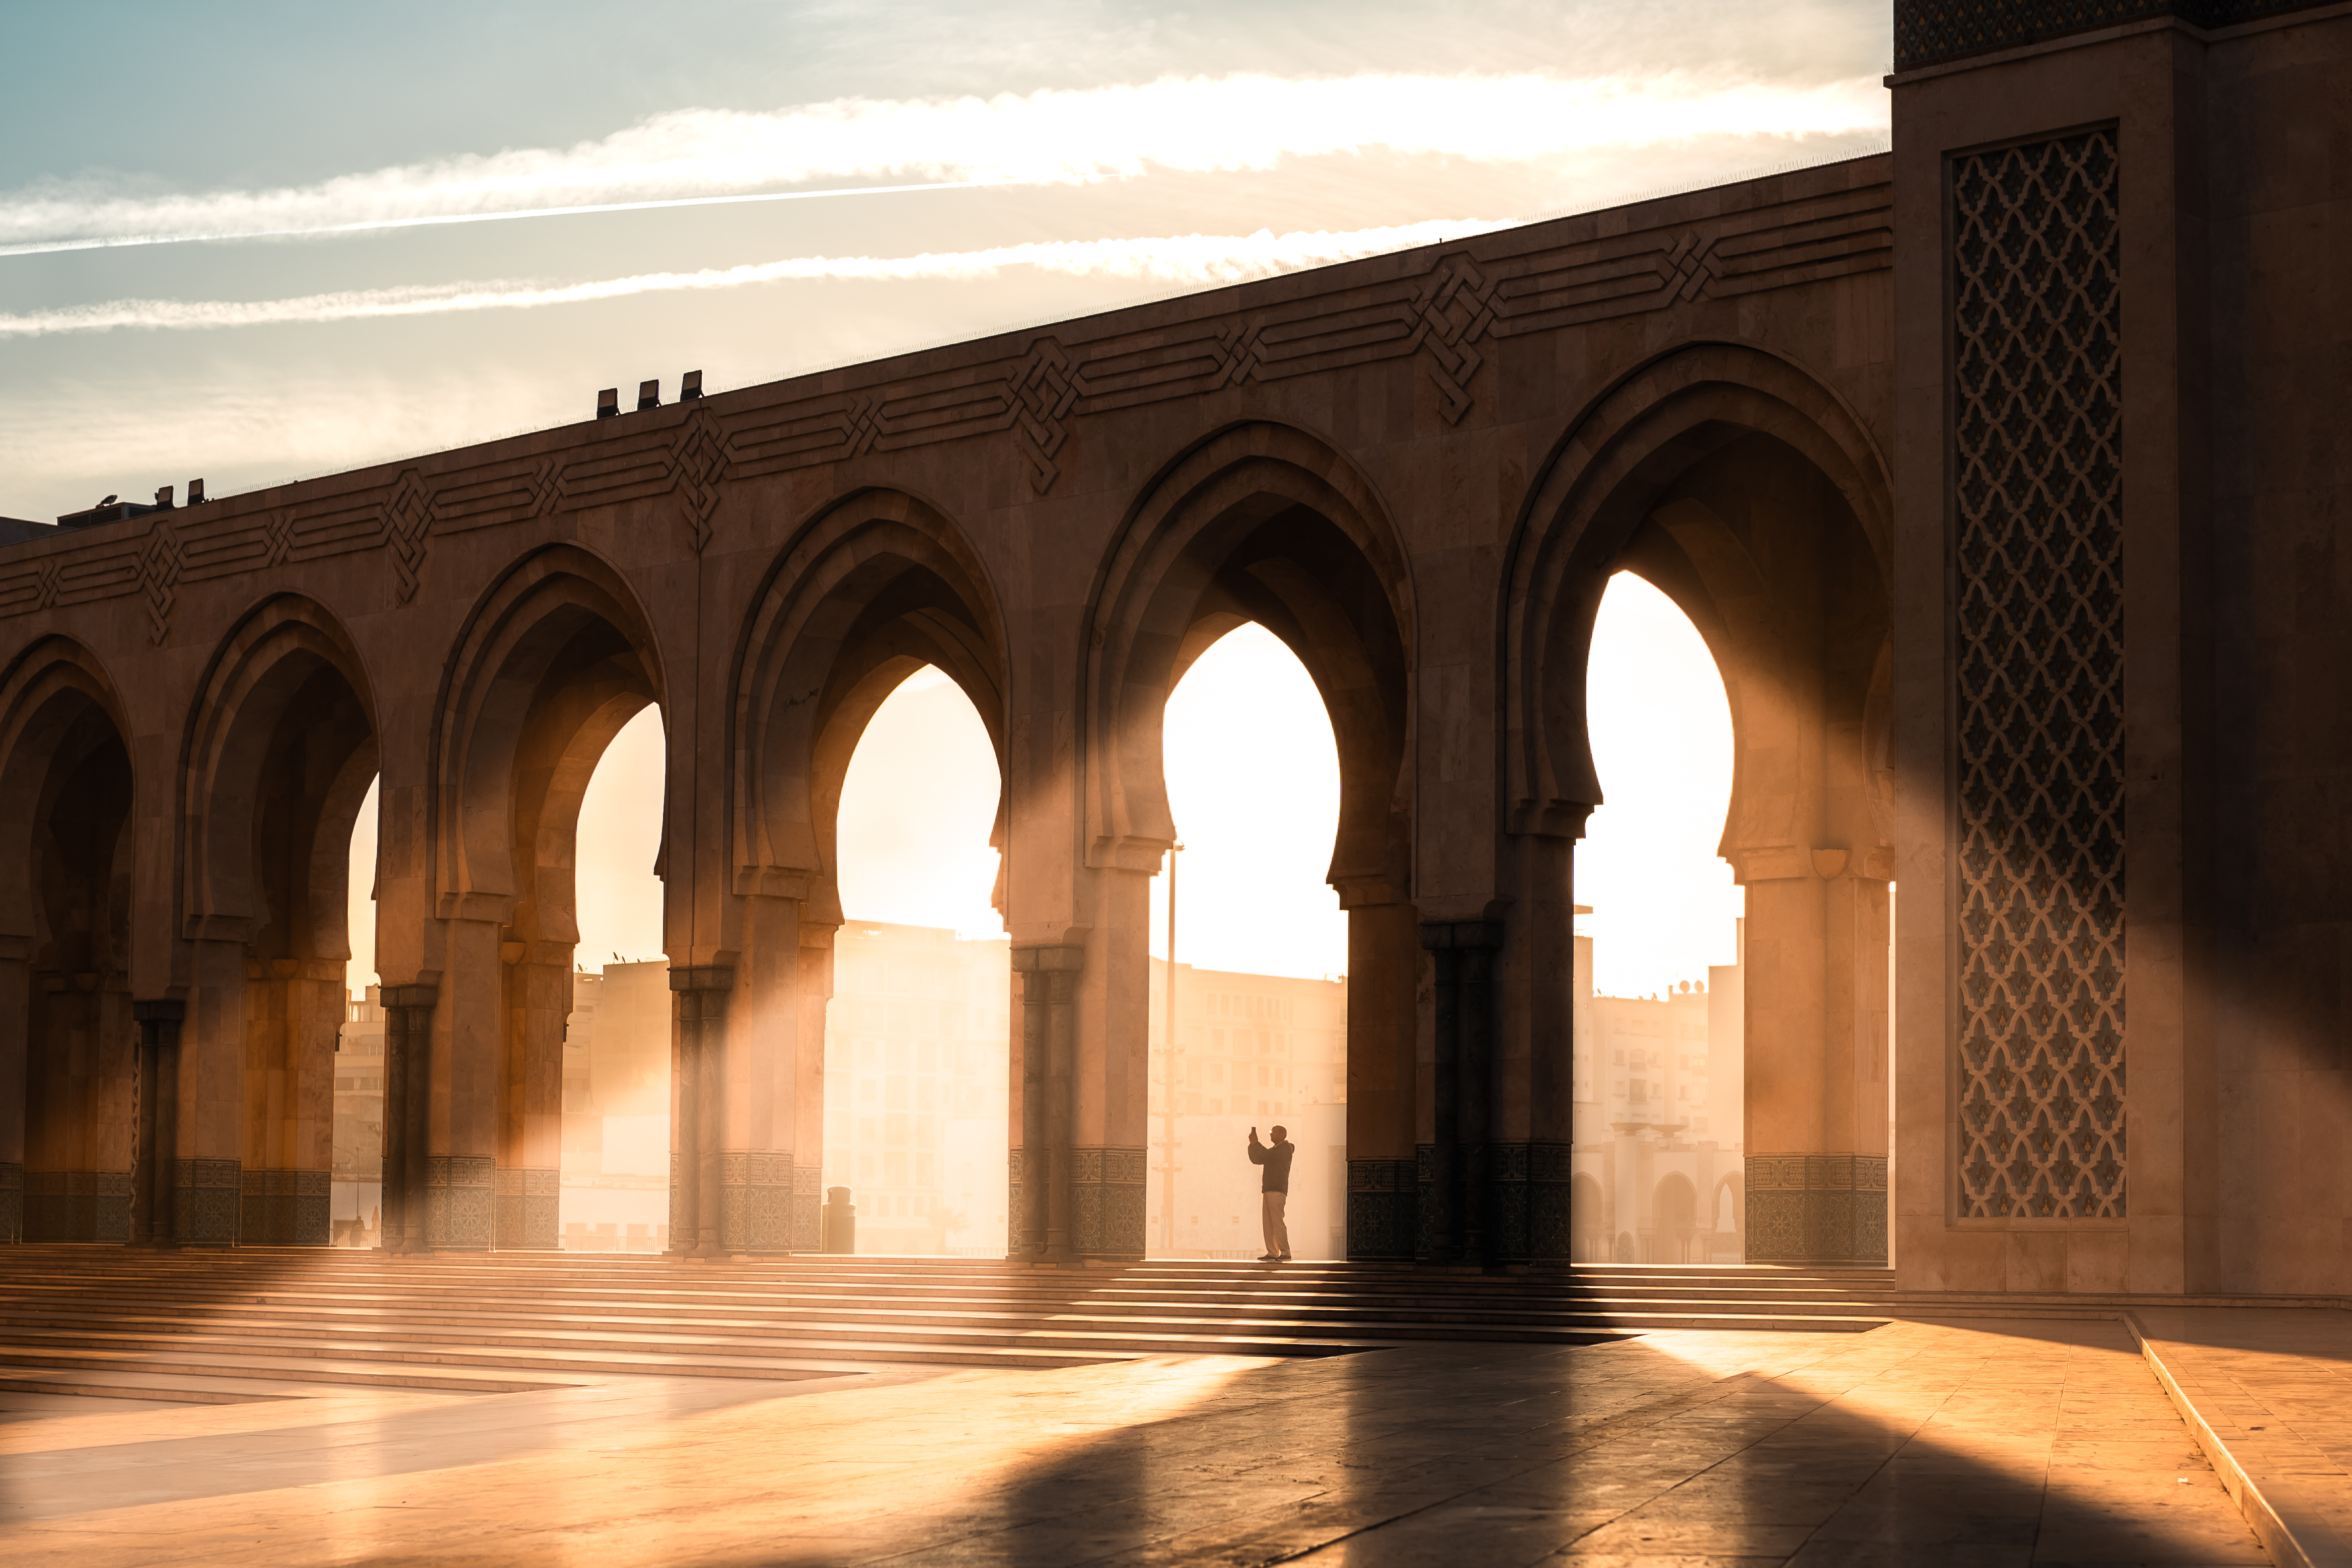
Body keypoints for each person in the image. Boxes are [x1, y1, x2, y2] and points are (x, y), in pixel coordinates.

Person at [1246, 1125, 1294, 1262]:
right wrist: (1253, 1146)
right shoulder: (1275, 1150)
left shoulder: (1286, 1148)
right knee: (1268, 1223)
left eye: (1273, 1132)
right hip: (1268, 1188)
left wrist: (1257, 1144)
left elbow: (1268, 1156)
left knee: (1277, 1222)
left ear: (1282, 1134)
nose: (1271, 1134)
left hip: (1277, 1188)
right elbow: (1257, 1159)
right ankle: (1273, 1252)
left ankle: (1286, 1253)